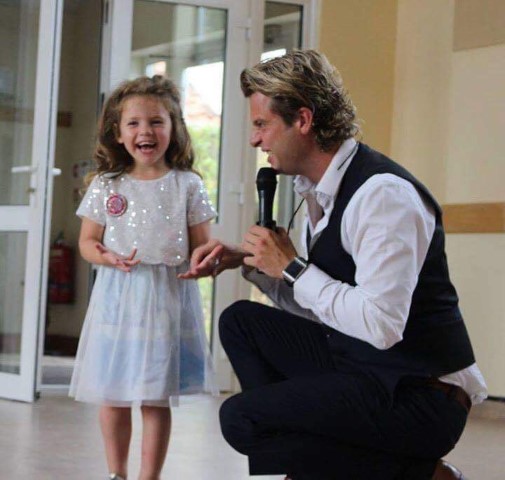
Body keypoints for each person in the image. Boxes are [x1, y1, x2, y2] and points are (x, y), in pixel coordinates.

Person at [180, 50, 487, 479]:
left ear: (303, 120)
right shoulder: (319, 193)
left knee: (241, 417)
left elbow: (381, 325)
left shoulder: (383, 195)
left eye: (262, 124)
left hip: (420, 395)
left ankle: (419, 473)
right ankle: (315, 462)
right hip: (366, 367)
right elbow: (325, 309)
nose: (254, 140)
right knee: (240, 322)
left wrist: (293, 268)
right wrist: (255, 264)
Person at [69, 75, 218, 480]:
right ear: (118, 133)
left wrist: (203, 262)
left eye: (156, 122)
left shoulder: (187, 185)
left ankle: (148, 477)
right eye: (133, 123)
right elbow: (87, 242)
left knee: (155, 396)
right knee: (113, 393)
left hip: (165, 299)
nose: (145, 131)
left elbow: (203, 245)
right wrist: (103, 254)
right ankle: (117, 473)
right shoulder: (106, 185)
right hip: (118, 299)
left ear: (173, 128)